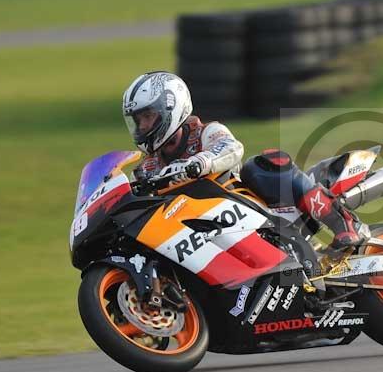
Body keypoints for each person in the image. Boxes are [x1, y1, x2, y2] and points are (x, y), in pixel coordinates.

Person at [122, 71, 366, 250]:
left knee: (260, 165)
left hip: (248, 209)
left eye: (148, 116)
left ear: (170, 108)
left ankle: (342, 223)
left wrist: (201, 163)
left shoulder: (206, 132)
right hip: (199, 233)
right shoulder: (147, 168)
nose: (143, 126)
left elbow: (231, 148)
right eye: (138, 120)